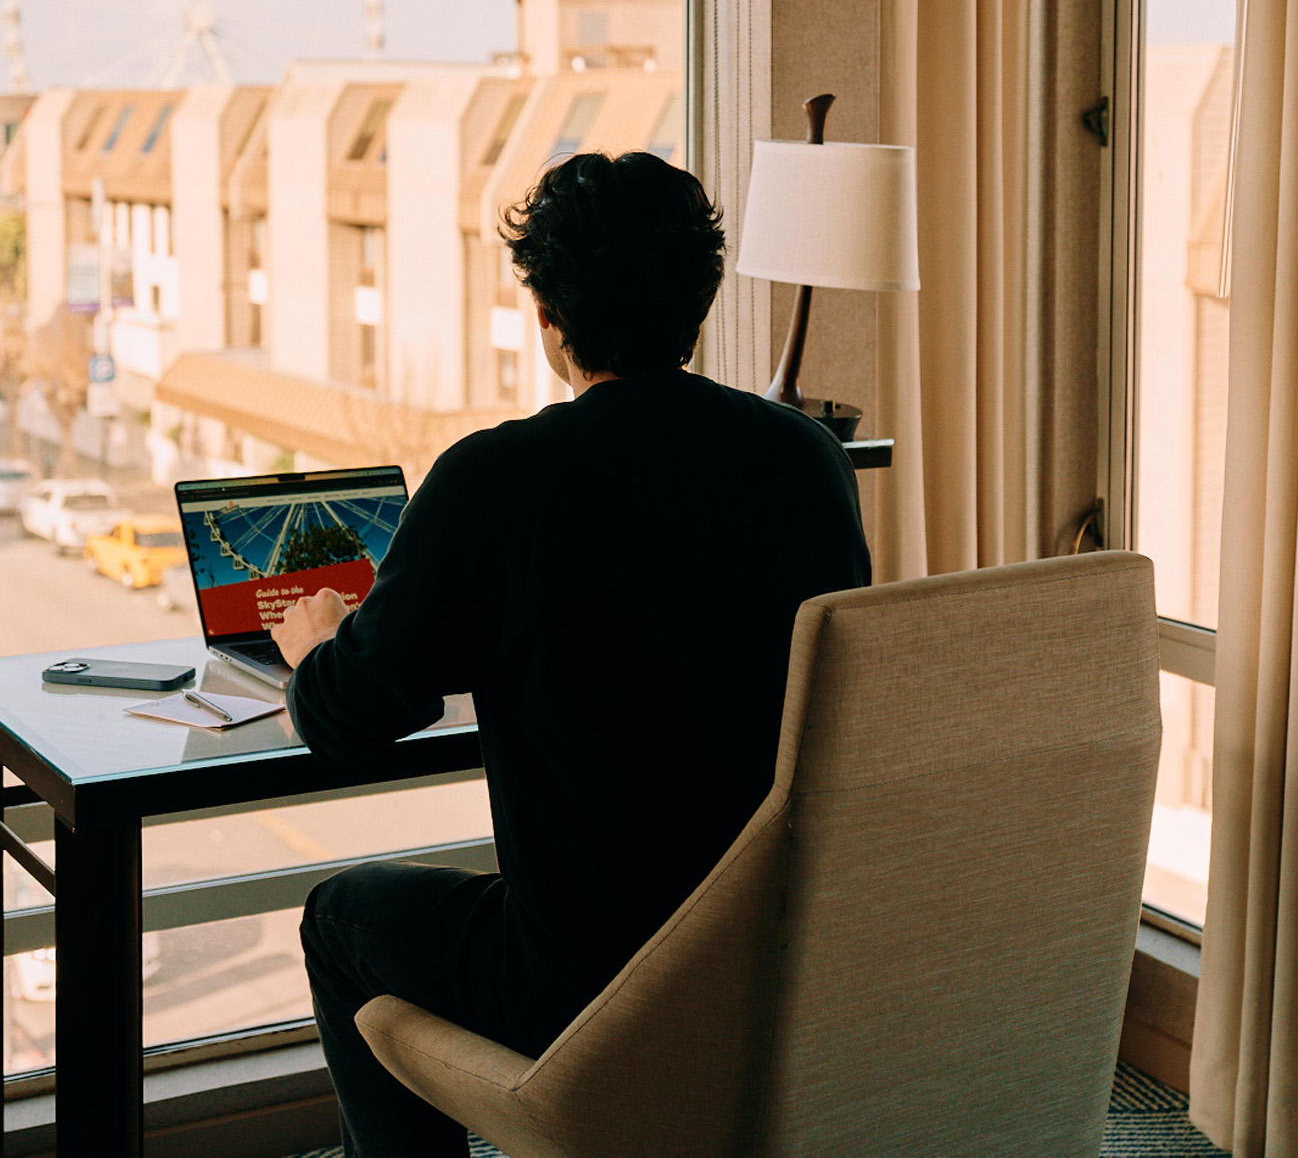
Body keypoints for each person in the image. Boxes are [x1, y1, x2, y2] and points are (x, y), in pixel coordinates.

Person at [273, 150, 872, 1158]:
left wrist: (316, 643)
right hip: (777, 965)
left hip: (589, 986)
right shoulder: (802, 457)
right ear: (701, 297)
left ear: (545, 315)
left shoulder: (497, 479)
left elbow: (348, 718)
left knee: (340, 918)